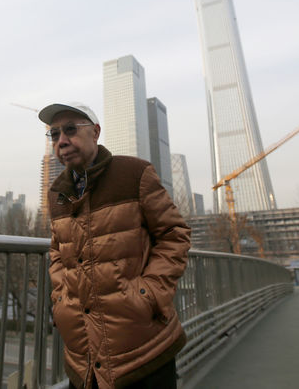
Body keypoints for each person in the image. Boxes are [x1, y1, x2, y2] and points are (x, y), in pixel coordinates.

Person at [40, 102, 191, 389]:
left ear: (95, 132)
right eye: (54, 134)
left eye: (71, 129)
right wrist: (61, 298)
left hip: (143, 349)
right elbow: (58, 250)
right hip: (82, 356)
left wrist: (148, 294)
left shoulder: (134, 174)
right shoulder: (57, 192)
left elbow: (174, 233)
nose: (61, 140)